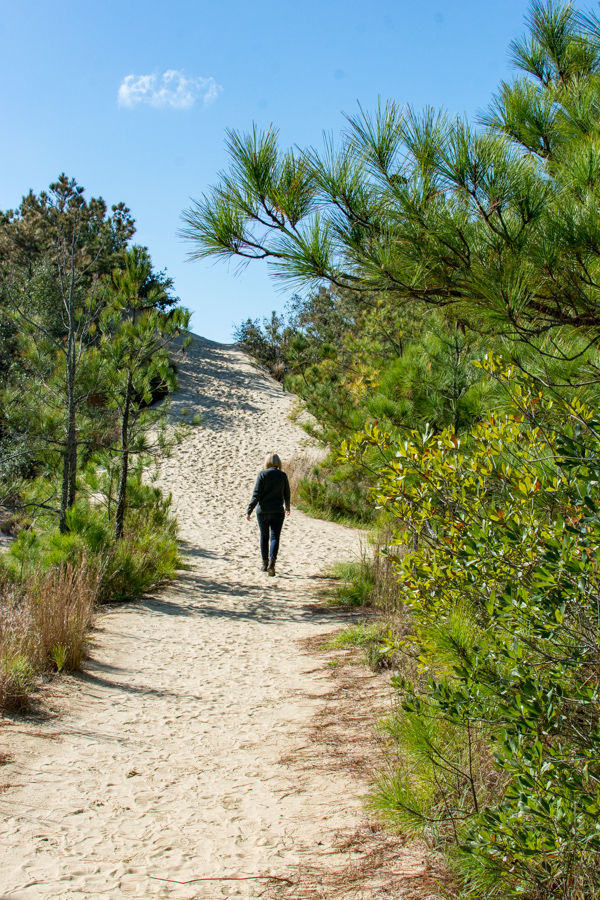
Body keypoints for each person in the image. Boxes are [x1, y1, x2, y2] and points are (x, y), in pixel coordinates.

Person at [246, 452, 291, 576]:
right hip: (277, 511)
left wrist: (249, 510)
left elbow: (256, 494)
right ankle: (272, 563)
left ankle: (264, 564)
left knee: (264, 537)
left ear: (267, 462)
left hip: (263, 511)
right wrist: (287, 507)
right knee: (275, 537)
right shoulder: (283, 475)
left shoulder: (262, 474)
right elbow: (287, 493)